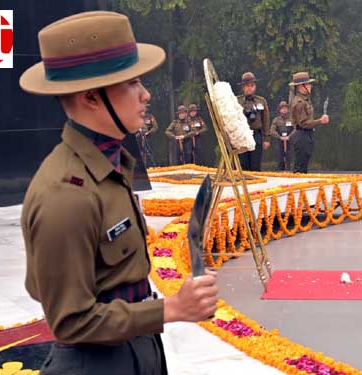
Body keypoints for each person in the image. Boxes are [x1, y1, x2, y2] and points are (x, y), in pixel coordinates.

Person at [18, 11, 219, 375]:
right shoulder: (65, 194)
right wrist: (172, 309)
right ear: (92, 97)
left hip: (136, 350)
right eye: (131, 83)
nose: (146, 94)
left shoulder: (110, 165)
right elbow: (70, 321)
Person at [289, 72, 329, 173]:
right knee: (300, 167)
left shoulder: (305, 100)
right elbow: (304, 123)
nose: (310, 86)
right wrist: (320, 121)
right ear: (300, 86)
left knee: (304, 164)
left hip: (306, 134)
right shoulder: (299, 102)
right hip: (301, 134)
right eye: (307, 84)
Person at [237, 72, 270, 171]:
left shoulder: (261, 101)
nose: (249, 88)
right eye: (247, 86)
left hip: (256, 135)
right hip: (242, 136)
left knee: (255, 164)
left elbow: (266, 120)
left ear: (255, 86)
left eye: (252, 85)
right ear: (243, 87)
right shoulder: (237, 101)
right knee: (243, 164)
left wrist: (266, 138)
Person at [270, 101, 294, 171]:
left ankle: (289, 172)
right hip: (279, 141)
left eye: (286, 108)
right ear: (279, 110)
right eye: (282, 108)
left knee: (289, 158)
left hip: (290, 141)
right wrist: (279, 137)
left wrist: (289, 136)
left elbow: (296, 129)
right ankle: (280, 172)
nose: (284, 110)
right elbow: (272, 130)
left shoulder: (292, 119)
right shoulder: (276, 119)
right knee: (280, 158)